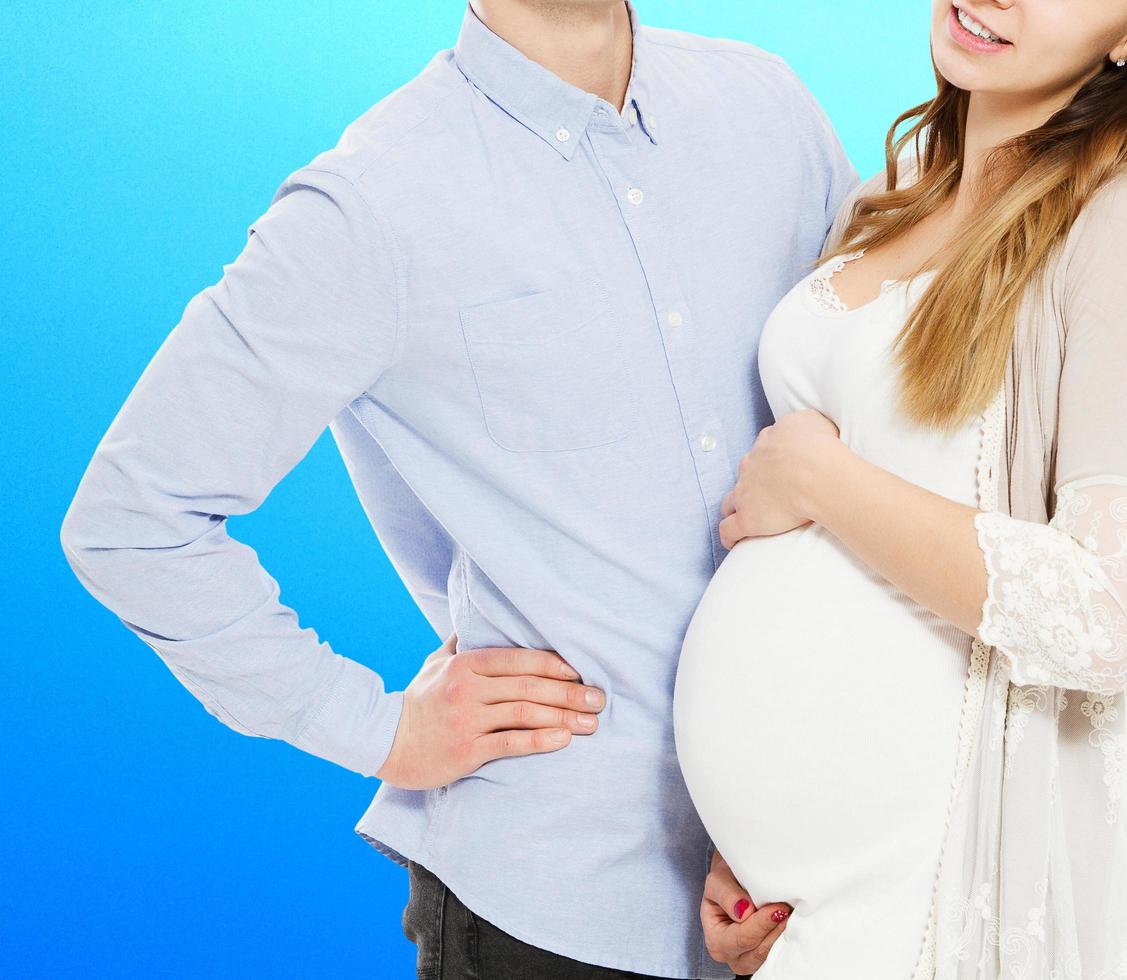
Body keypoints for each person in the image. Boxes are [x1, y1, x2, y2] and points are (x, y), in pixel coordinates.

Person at [58, 1, 855, 977]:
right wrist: (375, 725)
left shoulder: (767, 106)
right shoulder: (370, 204)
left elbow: (867, 408)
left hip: (800, 875)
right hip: (554, 909)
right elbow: (132, 520)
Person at [674, 0, 1127, 976]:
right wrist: (753, 839)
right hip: (795, 910)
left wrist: (820, 477)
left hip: (933, 888)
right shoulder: (895, 189)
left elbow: (1108, 613)